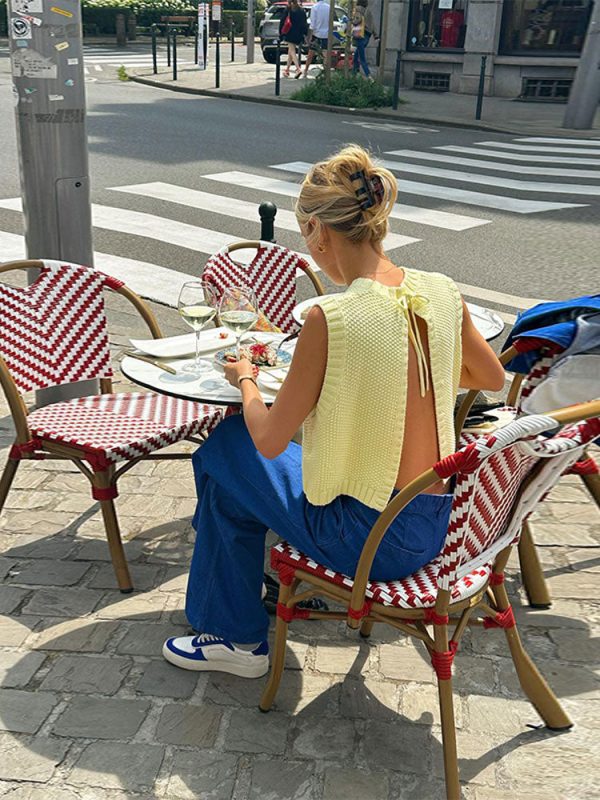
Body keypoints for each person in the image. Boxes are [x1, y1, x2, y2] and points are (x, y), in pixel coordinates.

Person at [162, 145, 505, 677]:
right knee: (233, 486)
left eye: (306, 236)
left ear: (320, 232)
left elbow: (271, 439)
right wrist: (399, 374)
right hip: (434, 524)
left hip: (367, 541)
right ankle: (237, 617)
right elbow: (491, 378)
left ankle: (232, 634)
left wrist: (246, 379)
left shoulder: (333, 318)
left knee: (226, 446)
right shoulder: (440, 291)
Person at [301, 0, 331, 78]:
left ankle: (305, 71)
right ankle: (326, 73)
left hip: (316, 33)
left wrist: (309, 36)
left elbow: (312, 23)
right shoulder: (329, 7)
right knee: (325, 54)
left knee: (311, 53)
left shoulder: (315, 7)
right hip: (326, 33)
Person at [280, 0, 308, 78]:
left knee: (292, 50)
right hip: (299, 34)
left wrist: (281, 34)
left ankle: (298, 69)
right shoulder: (302, 10)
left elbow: (282, 22)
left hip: (290, 33)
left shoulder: (288, 10)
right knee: (290, 51)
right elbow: (304, 23)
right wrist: (305, 34)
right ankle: (287, 70)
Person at [352, 0, 378, 78]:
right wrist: (376, 35)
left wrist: (351, 21)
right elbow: (373, 24)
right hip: (367, 36)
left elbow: (358, 19)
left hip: (360, 35)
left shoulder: (357, 9)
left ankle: (369, 76)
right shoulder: (368, 11)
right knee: (356, 57)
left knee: (362, 59)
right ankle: (353, 76)